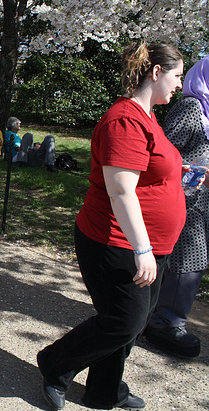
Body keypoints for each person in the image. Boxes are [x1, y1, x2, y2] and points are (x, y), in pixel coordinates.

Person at [36, 42, 186, 411]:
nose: (180, 85)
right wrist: (142, 249)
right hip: (116, 241)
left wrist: (186, 173)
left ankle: (104, 390)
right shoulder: (125, 121)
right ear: (156, 72)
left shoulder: (148, 116)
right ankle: (55, 363)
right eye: (177, 76)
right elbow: (120, 192)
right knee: (123, 321)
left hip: (153, 244)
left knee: (132, 324)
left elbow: (147, 170)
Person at [143, 56, 209, 359]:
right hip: (184, 199)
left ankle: (158, 315)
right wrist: (196, 172)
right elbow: (165, 153)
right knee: (189, 259)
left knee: (188, 259)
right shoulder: (191, 107)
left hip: (200, 199)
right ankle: (165, 322)